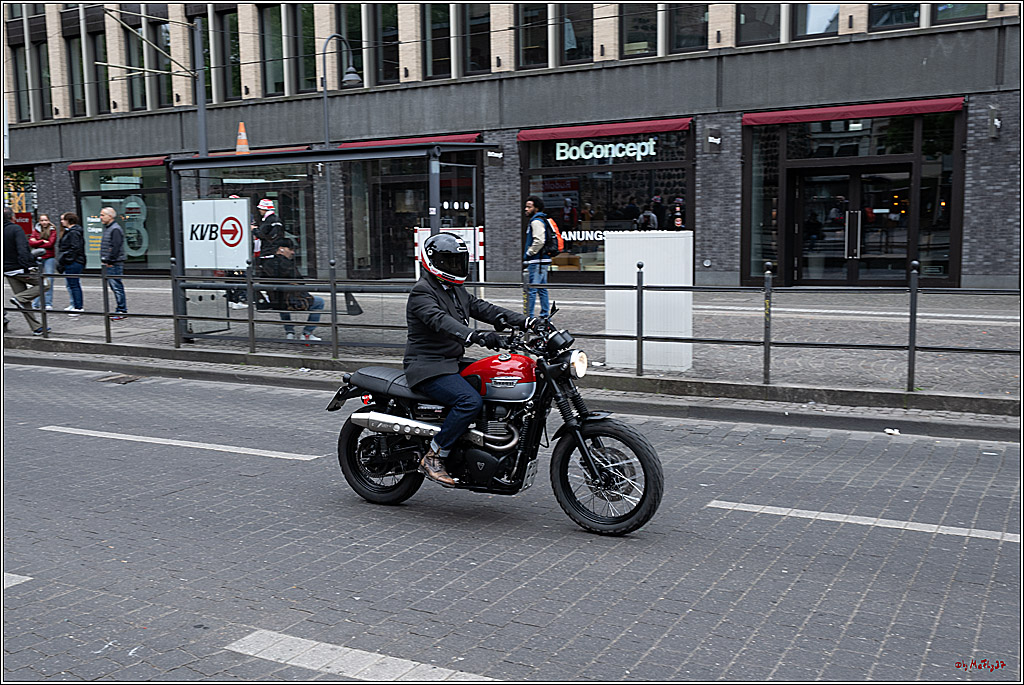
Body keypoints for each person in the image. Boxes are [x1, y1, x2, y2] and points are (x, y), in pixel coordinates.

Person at [406, 232, 537, 486]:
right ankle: (434, 456)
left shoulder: (456, 289)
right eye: (449, 261)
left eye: (459, 261)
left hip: (450, 361)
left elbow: (485, 309)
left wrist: (528, 321)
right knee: (469, 401)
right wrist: (476, 336)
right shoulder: (422, 292)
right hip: (427, 366)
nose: (456, 267)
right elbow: (441, 321)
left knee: (495, 379)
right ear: (433, 262)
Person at [262, 238, 324, 342]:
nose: (293, 252)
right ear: (281, 249)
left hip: (275, 301)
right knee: (319, 302)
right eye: (290, 249)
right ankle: (307, 333)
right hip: (293, 301)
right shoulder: (287, 264)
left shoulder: (266, 263)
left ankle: (289, 332)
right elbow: (300, 281)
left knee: (282, 301)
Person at [4, 206, 48, 334]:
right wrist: (28, 268)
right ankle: (18, 299)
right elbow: (23, 250)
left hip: (7, 271)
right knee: (44, 284)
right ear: (13, 217)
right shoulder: (16, 229)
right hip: (20, 269)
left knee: (24, 301)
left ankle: (36, 327)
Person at [522, 195, 550, 319]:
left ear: (536, 208)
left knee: (532, 289)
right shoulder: (543, 219)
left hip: (537, 260)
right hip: (543, 260)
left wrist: (530, 252)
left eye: (529, 207)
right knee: (542, 289)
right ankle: (545, 314)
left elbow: (539, 240)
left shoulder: (536, 221)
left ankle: (530, 316)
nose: (526, 209)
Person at [99, 206, 128, 320]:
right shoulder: (110, 228)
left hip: (114, 263)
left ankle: (122, 310)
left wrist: (110, 260)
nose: (100, 217)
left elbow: (116, 246)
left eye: (102, 215)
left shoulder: (115, 229)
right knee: (115, 286)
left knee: (117, 286)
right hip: (111, 262)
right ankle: (120, 309)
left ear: (110, 216)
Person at [57, 212, 86, 316]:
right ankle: (74, 304)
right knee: (71, 284)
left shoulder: (73, 232)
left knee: (74, 284)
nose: (61, 222)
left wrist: (67, 258)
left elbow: (75, 248)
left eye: (63, 219)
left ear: (68, 220)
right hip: (73, 261)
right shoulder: (71, 231)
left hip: (74, 261)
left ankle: (78, 307)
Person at [28, 213, 57, 309]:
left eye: (46, 220)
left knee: (49, 280)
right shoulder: (36, 230)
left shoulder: (53, 230)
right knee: (38, 281)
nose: (44, 222)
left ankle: (48, 303)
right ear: (39, 221)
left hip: (49, 257)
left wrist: (37, 242)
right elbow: (31, 243)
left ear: (49, 221)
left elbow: (50, 244)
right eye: (42, 220)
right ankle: (35, 303)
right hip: (38, 258)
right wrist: (42, 241)